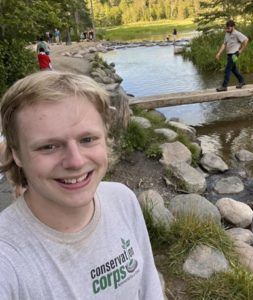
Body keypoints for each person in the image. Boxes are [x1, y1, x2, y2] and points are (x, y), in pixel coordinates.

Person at [0, 71, 163, 299]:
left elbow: (149, 288)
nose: (75, 161)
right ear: (16, 155)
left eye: (87, 139)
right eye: (48, 146)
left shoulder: (122, 199)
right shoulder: (7, 257)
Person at [216, 20, 249, 92]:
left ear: (233, 27)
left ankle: (224, 86)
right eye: (226, 28)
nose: (227, 29)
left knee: (227, 69)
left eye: (228, 28)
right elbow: (224, 44)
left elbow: (246, 40)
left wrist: (240, 50)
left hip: (235, 54)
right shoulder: (227, 33)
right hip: (229, 54)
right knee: (233, 69)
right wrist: (219, 53)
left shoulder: (237, 34)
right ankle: (242, 81)